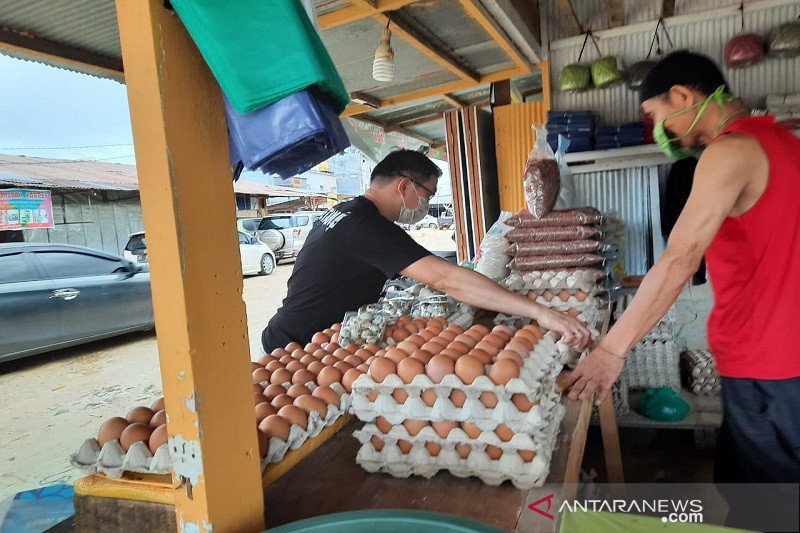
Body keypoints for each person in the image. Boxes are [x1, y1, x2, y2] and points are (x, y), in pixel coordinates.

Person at [561, 51, 800, 527]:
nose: (658, 132)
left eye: (655, 116)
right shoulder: (784, 142)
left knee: (772, 506)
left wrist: (612, 351)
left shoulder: (730, 152)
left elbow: (679, 259)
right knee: (750, 486)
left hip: (769, 364)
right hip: (779, 357)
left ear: (683, 97)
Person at [262, 149, 591, 353]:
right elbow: (446, 278)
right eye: (428, 194)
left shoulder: (348, 212)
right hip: (299, 345)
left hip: (301, 332)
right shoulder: (367, 226)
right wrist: (538, 311)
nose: (428, 204)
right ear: (404, 186)